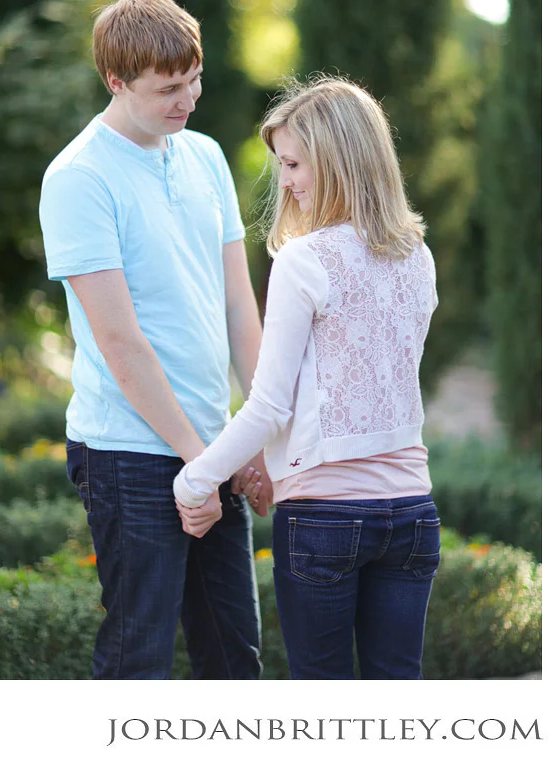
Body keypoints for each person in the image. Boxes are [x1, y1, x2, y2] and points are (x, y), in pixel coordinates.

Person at [173, 76, 440, 680]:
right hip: (413, 514)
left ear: (337, 159)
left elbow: (268, 406)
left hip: (325, 520)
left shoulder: (304, 260)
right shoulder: (418, 255)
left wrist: (195, 482)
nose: (286, 181)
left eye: (293, 163)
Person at [38, 0, 268, 680]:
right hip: (129, 453)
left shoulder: (204, 156)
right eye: (168, 88)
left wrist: (252, 436)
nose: (188, 99)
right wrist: (202, 463)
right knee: (139, 659)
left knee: (234, 657)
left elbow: (237, 304)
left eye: (195, 79)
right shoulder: (78, 179)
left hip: (211, 442)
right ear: (115, 80)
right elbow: (121, 344)